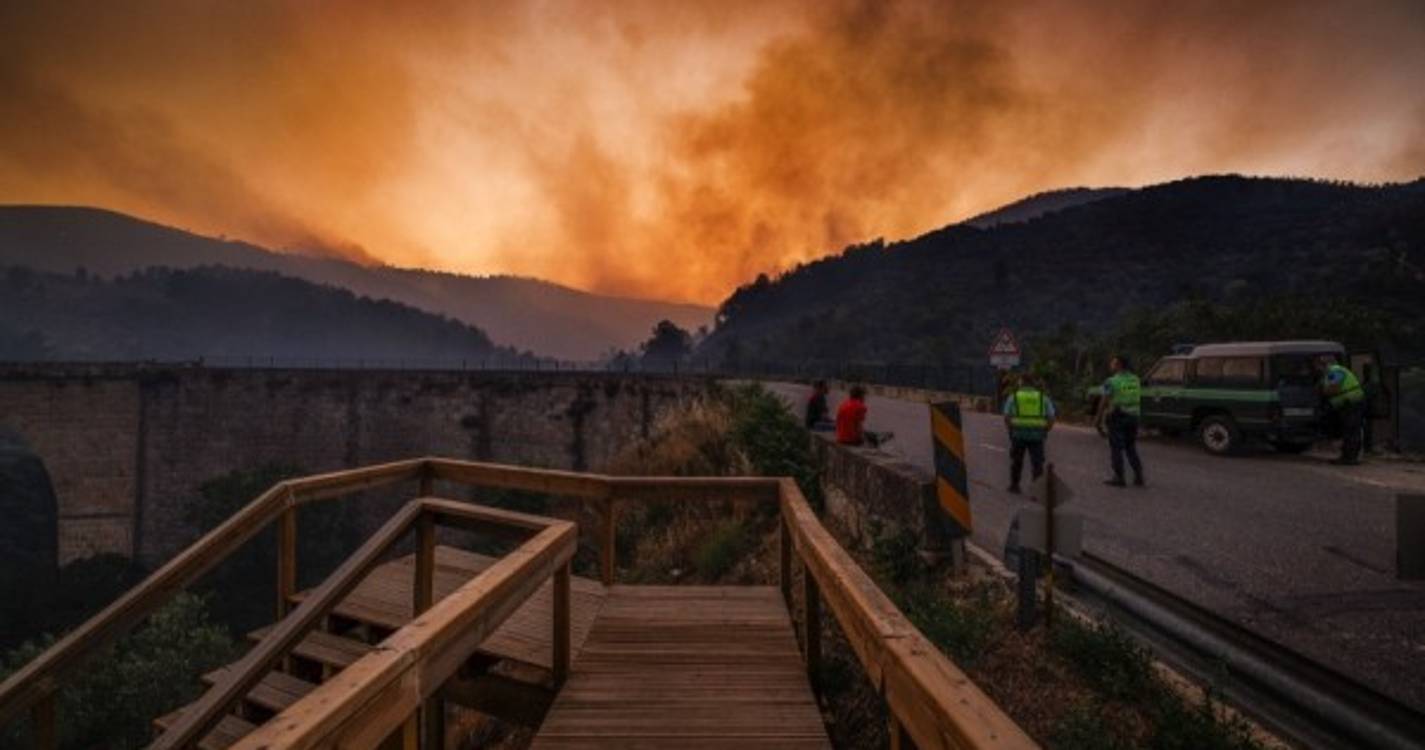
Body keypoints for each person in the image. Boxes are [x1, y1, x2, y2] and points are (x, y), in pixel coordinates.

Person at [1096, 355, 1145, 487]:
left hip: (1118, 416)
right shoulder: (1136, 379)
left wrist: (1098, 419)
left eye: (1113, 363)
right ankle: (1139, 477)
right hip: (1134, 416)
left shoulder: (1111, 381)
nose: (1111, 365)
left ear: (1118, 365)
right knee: (1131, 447)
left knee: (1116, 448)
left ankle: (1119, 477)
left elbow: (1104, 401)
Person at [1002, 374, 1056, 494]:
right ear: (1033, 383)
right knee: (1037, 464)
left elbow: (1006, 416)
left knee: (1016, 461)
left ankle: (1014, 486)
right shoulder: (1043, 398)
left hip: (1018, 434)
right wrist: (1045, 430)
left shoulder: (1014, 397)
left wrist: (1010, 430)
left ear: (1021, 382)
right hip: (1037, 435)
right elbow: (1052, 417)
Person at [1314, 354, 1365, 464]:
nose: (1317, 369)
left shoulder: (1336, 370)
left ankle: (1351, 458)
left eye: (1318, 366)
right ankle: (1347, 456)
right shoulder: (1329, 374)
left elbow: (1334, 388)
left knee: (1351, 429)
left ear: (1325, 364)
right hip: (1346, 404)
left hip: (1351, 402)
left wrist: (1323, 392)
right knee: (1347, 430)